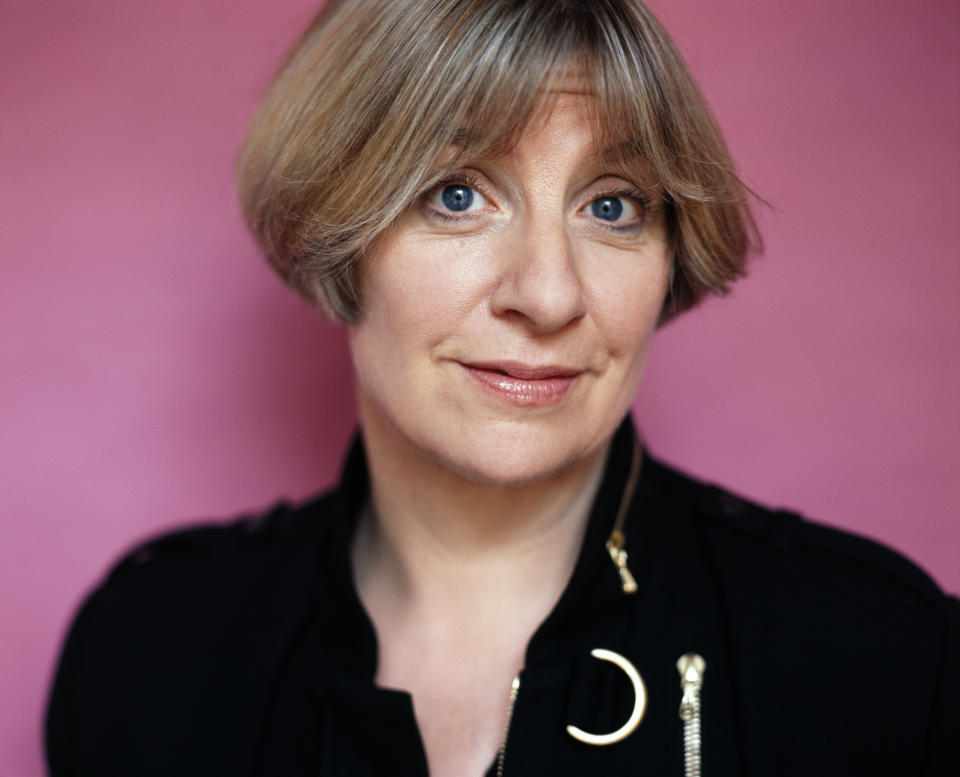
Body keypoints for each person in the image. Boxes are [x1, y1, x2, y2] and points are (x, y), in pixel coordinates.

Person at [46, 1, 959, 775]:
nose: (551, 293)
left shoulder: (883, 661)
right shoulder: (146, 653)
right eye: (456, 194)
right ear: (333, 230)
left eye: (612, 205)